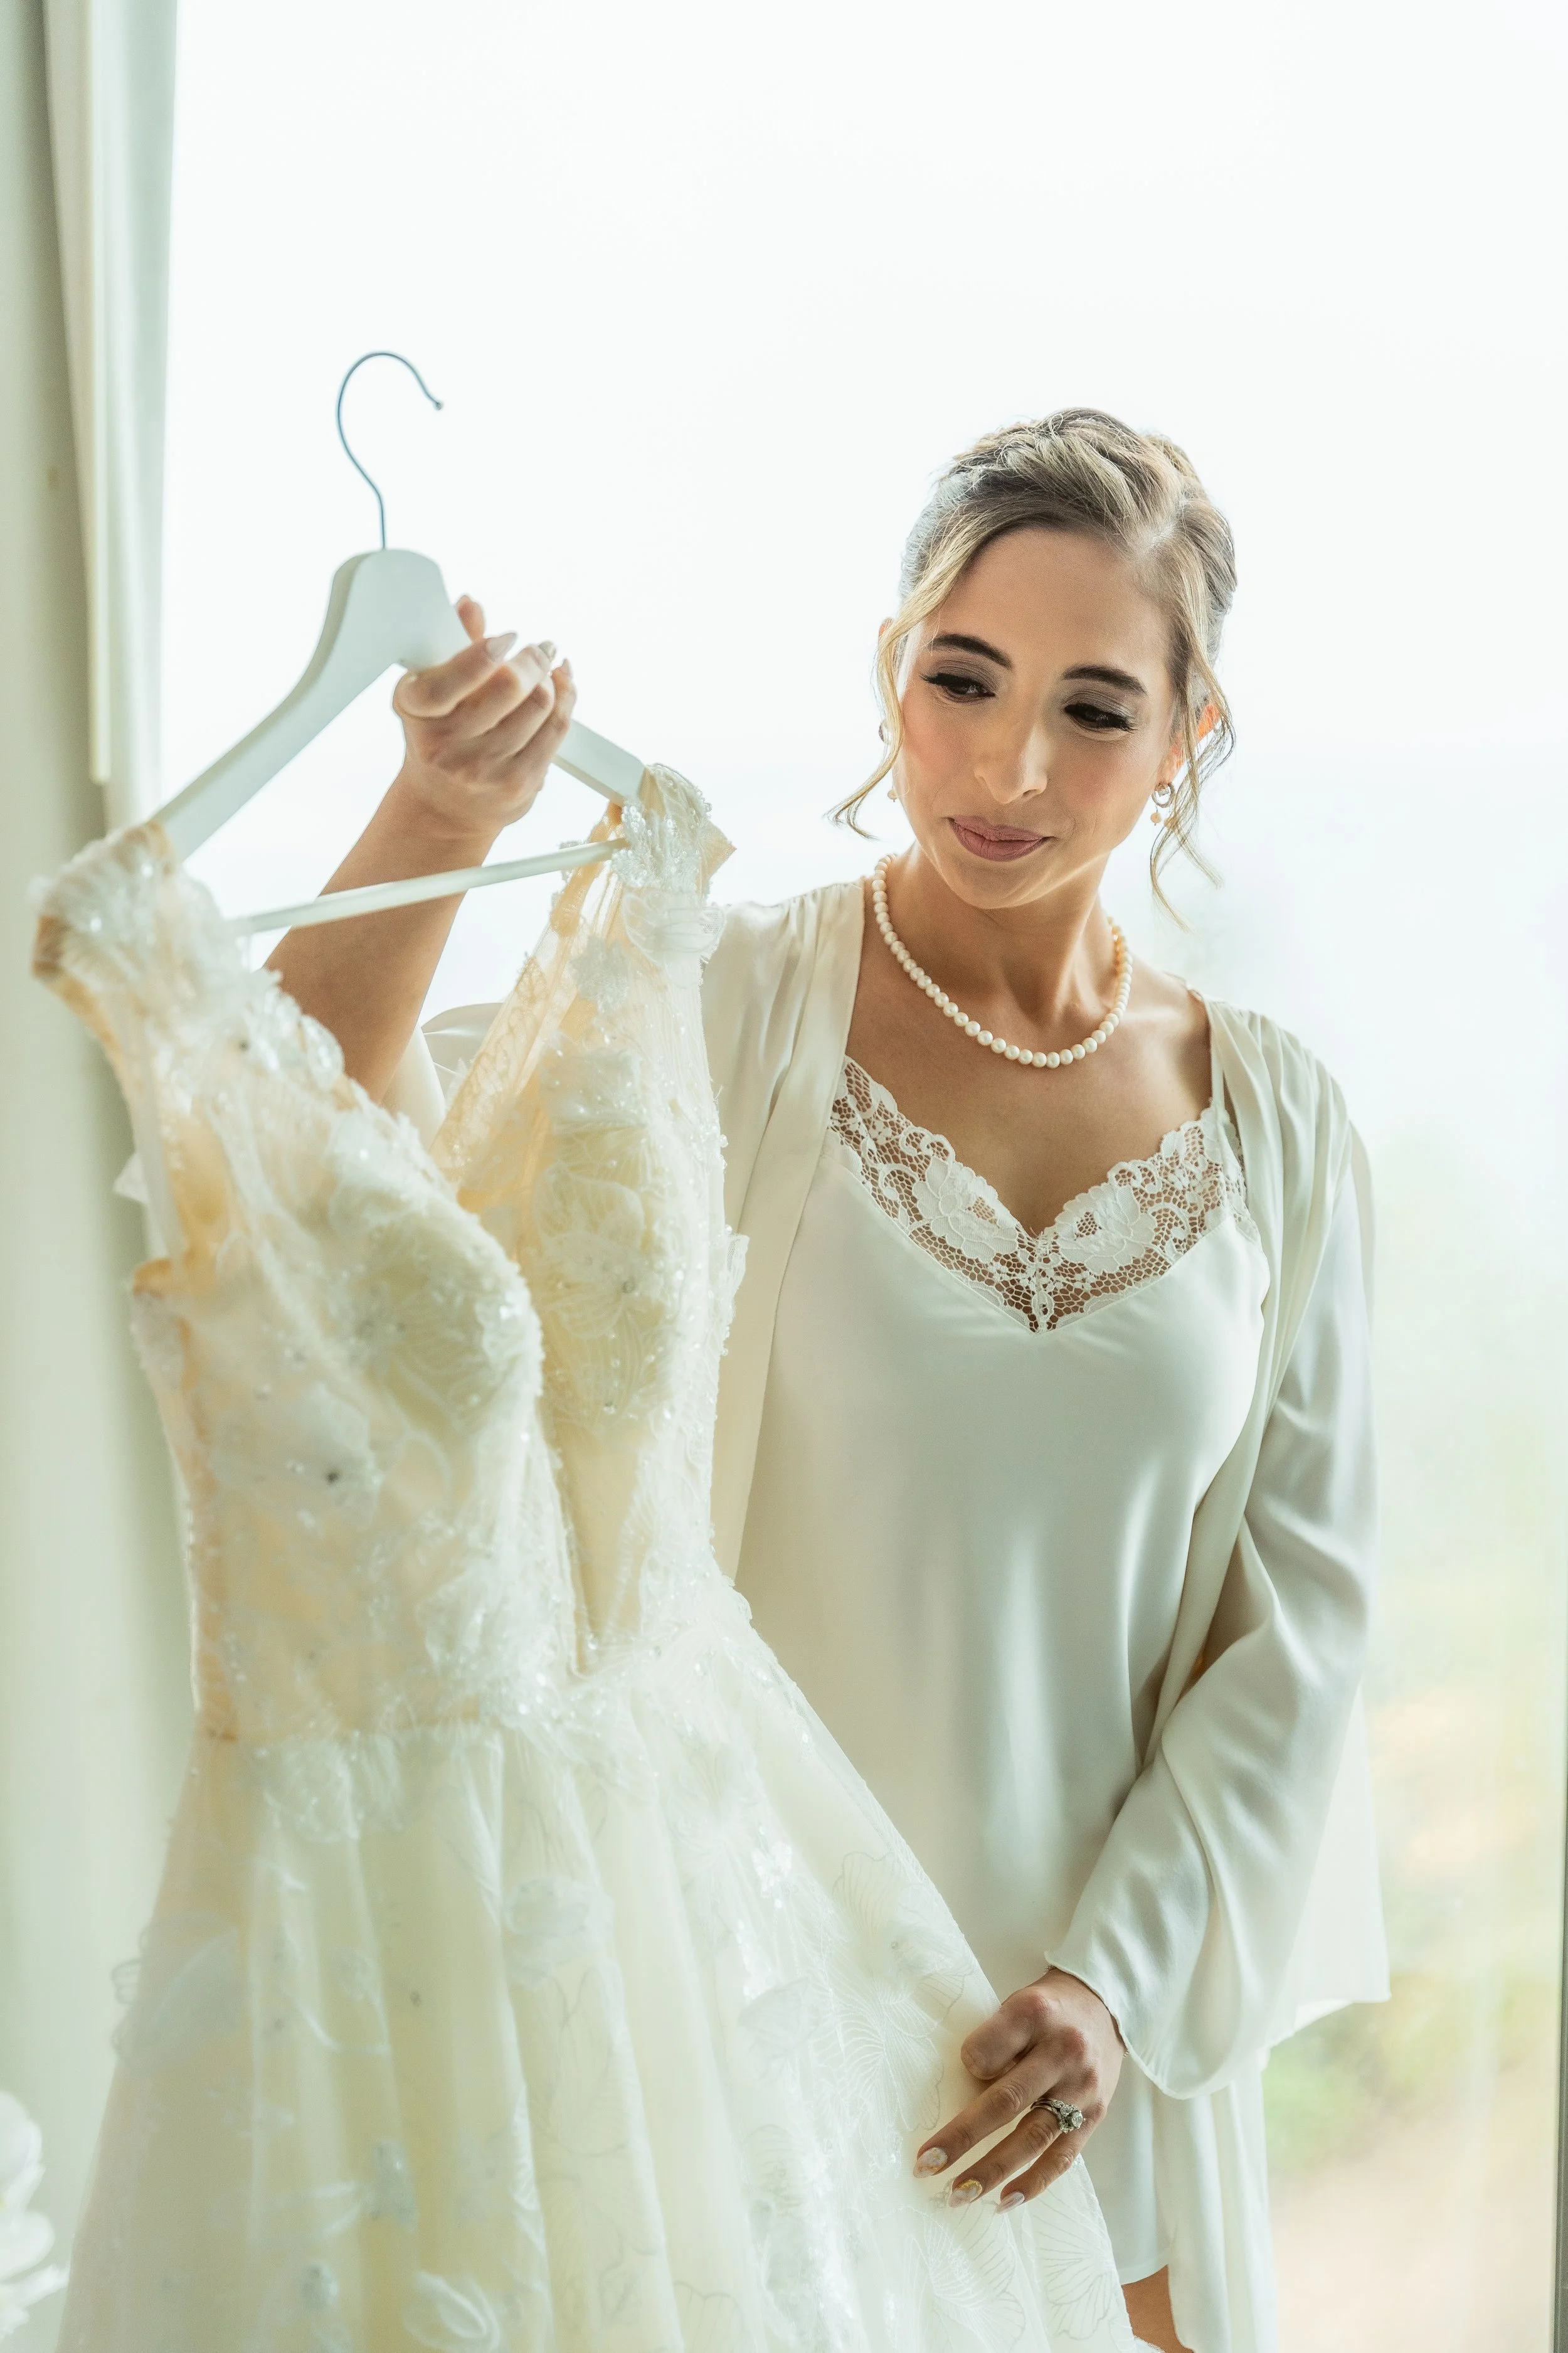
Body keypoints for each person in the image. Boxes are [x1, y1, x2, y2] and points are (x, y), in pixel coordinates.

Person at [269, 408, 1385, 2353]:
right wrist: (438, 822)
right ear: (890, 673)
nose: (1010, 764)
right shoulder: (716, 1009)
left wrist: (1111, 1991)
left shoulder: (1273, 1119)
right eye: (963, 678)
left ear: (1189, 738)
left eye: (1096, 708)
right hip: (741, 2021)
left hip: (1086, 2068)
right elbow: (311, 1137)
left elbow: (1291, 1635)